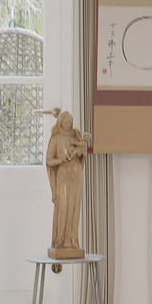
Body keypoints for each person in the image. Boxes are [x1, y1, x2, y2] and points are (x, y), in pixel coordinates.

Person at [46, 110, 88, 258]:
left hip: (75, 174)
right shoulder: (55, 139)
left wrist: (80, 151)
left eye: (70, 121)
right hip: (63, 175)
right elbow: (49, 161)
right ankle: (59, 240)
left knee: (74, 206)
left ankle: (72, 240)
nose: (68, 124)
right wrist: (60, 160)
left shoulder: (75, 137)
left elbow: (83, 156)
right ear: (60, 122)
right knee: (63, 206)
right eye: (65, 121)